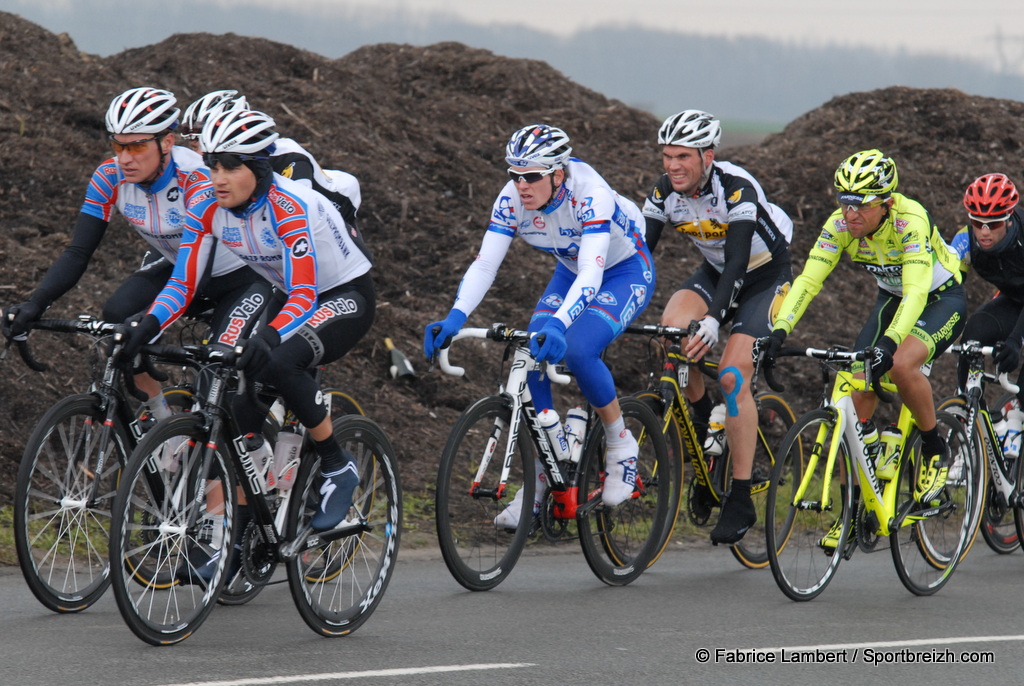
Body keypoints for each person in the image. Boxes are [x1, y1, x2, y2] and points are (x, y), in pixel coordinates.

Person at [120, 108, 376, 550]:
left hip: (341, 294)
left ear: (258, 168)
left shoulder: (290, 205)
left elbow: (304, 293)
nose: (218, 176)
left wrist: (268, 338)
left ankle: (337, 464)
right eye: (213, 164)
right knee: (238, 406)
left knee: (277, 358)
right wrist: (150, 323)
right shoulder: (207, 205)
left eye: (231, 166)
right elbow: (183, 282)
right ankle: (246, 530)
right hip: (288, 291)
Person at [423, 124, 655, 528]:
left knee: (579, 349)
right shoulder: (511, 199)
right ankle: (549, 470)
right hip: (570, 269)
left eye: (531, 176)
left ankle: (621, 444)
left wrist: (563, 325)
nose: (521, 185)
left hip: (622, 270)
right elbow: (486, 263)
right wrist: (455, 316)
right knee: (530, 351)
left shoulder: (591, 195)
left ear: (558, 175)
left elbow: (591, 273)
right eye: (514, 174)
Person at [2, 87, 272, 424]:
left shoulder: (198, 180)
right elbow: (78, 252)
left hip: (240, 279)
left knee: (214, 374)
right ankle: (161, 423)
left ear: (168, 142)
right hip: (181, 268)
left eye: (138, 146)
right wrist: (36, 303)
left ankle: (233, 459)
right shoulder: (109, 177)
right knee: (117, 316)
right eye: (118, 145)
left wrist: (149, 322)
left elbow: (196, 277)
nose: (125, 158)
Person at [762, 149, 966, 549]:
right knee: (853, 405)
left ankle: (933, 447)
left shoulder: (911, 220)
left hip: (938, 297)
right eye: (844, 201)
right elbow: (808, 281)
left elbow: (915, 292)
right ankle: (852, 511)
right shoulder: (839, 224)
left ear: (887, 203)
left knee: (902, 366)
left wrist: (889, 345)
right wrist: (780, 330)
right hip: (890, 298)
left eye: (862, 205)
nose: (850, 214)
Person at [642, 110, 794, 546]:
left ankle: (742, 496)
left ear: (708, 156)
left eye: (683, 157)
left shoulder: (737, 188)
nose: (672, 166)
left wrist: (712, 320)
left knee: (731, 374)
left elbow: (738, 261)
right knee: (669, 332)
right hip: (715, 271)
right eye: (667, 156)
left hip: (764, 275)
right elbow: (640, 257)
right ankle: (705, 425)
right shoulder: (663, 191)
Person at [179, 89, 366, 240]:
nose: (199, 156)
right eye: (193, 146)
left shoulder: (288, 157)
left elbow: (299, 218)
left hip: (337, 205)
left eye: (202, 146)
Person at [950, 173, 1024, 395]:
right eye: (977, 222)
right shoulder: (965, 241)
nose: (984, 232)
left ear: (1008, 218)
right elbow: (946, 290)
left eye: (994, 224)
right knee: (975, 332)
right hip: (1014, 299)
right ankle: (968, 412)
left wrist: (1014, 341)